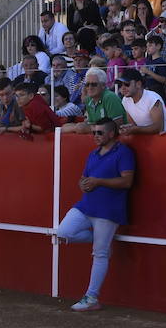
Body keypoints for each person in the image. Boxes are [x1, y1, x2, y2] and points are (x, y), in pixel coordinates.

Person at [56, 118, 136, 312]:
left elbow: (127, 182)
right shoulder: (93, 154)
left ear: (111, 133)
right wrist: (82, 183)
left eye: (99, 132)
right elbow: (85, 178)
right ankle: (102, 241)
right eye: (93, 132)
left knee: (99, 254)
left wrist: (98, 181)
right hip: (87, 205)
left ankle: (92, 297)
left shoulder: (123, 152)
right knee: (63, 232)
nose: (95, 136)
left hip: (108, 209)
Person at [115, 69, 166, 134]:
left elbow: (159, 128)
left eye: (127, 84)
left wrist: (134, 129)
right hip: (145, 139)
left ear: (138, 84)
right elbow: (132, 125)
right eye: (120, 85)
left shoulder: (152, 98)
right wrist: (126, 129)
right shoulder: (125, 100)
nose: (122, 88)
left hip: (164, 139)